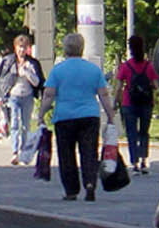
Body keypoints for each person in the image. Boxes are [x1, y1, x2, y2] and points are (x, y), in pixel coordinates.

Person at [43, 31, 110, 201]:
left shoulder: (58, 71)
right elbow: (103, 94)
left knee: (67, 155)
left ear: (65, 49)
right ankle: (89, 183)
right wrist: (110, 115)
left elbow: (49, 94)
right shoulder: (93, 70)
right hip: (89, 116)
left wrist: (41, 114)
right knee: (89, 152)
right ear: (82, 48)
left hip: (64, 117)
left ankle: (71, 190)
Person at [0, 31, 44, 167]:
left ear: (28, 48)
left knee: (26, 126)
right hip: (13, 96)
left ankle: (23, 152)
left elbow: (38, 82)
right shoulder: (9, 61)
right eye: (19, 47)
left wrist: (26, 73)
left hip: (27, 97)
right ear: (15, 48)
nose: (21, 50)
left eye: (24, 47)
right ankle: (14, 152)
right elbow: (1, 79)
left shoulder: (32, 63)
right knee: (14, 123)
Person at [115, 33, 159, 174]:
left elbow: (118, 87)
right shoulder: (149, 66)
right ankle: (144, 161)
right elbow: (156, 85)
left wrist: (115, 102)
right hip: (146, 103)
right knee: (144, 132)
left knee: (131, 133)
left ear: (130, 49)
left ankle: (134, 163)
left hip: (129, 102)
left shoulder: (125, 66)